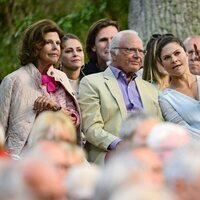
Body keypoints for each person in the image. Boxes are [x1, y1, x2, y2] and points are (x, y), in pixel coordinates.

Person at [78, 30, 163, 165]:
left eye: (141, 51)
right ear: (113, 53)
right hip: (112, 154)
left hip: (150, 152)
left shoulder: (150, 89)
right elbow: (91, 128)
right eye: (131, 50)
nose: (137, 56)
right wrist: (120, 145)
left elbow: (160, 126)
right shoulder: (91, 83)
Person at [0, 19, 82, 156]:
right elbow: (1, 127)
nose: (56, 47)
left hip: (60, 153)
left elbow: (74, 121)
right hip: (22, 157)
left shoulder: (61, 77)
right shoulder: (12, 80)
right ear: (35, 46)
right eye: (49, 42)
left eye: (57, 43)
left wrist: (54, 106)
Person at [156, 34, 200, 137]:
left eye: (177, 53)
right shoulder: (166, 99)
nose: (174, 59)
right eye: (167, 57)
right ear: (162, 64)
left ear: (186, 54)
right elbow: (184, 131)